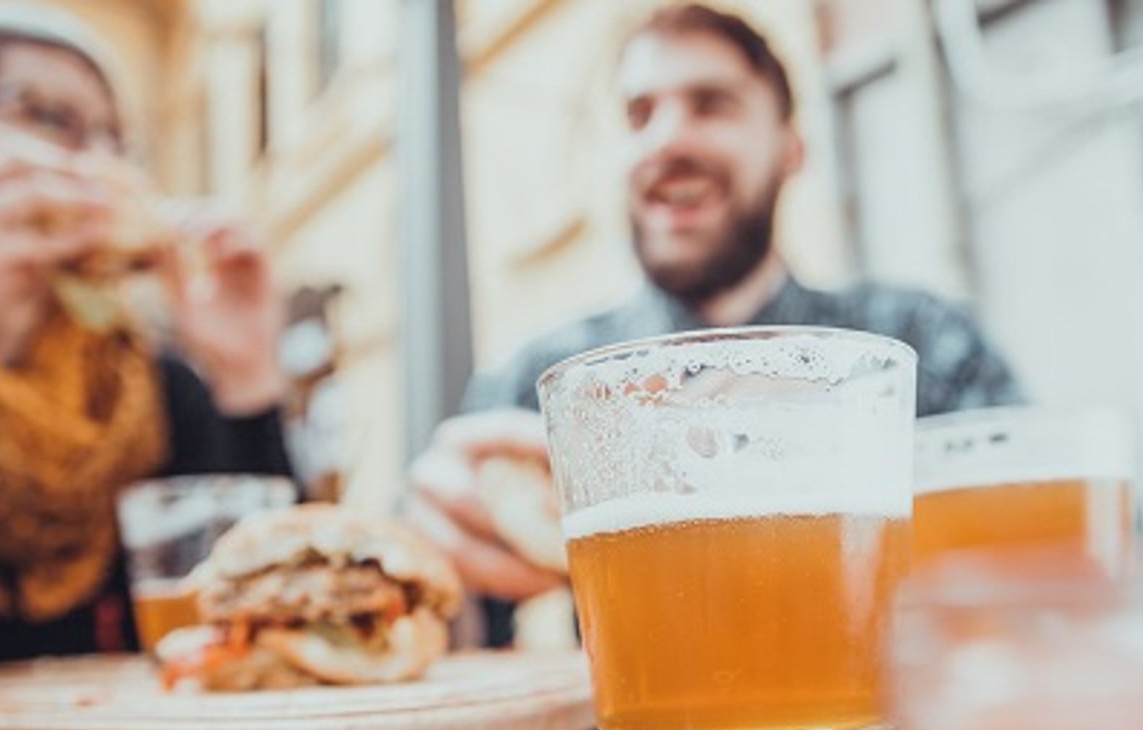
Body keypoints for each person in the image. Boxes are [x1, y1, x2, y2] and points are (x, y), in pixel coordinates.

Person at [406, 3, 1024, 647]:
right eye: (639, 114)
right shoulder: (537, 390)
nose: (667, 140)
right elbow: (456, 655)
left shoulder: (919, 347)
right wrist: (438, 574)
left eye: (712, 104)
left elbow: (1058, 592)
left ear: (791, 148)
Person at [0, 9, 291, 687]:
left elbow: (270, 611)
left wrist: (246, 374)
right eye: (54, 118)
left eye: (117, 140)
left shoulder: (149, 383)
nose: (102, 163)